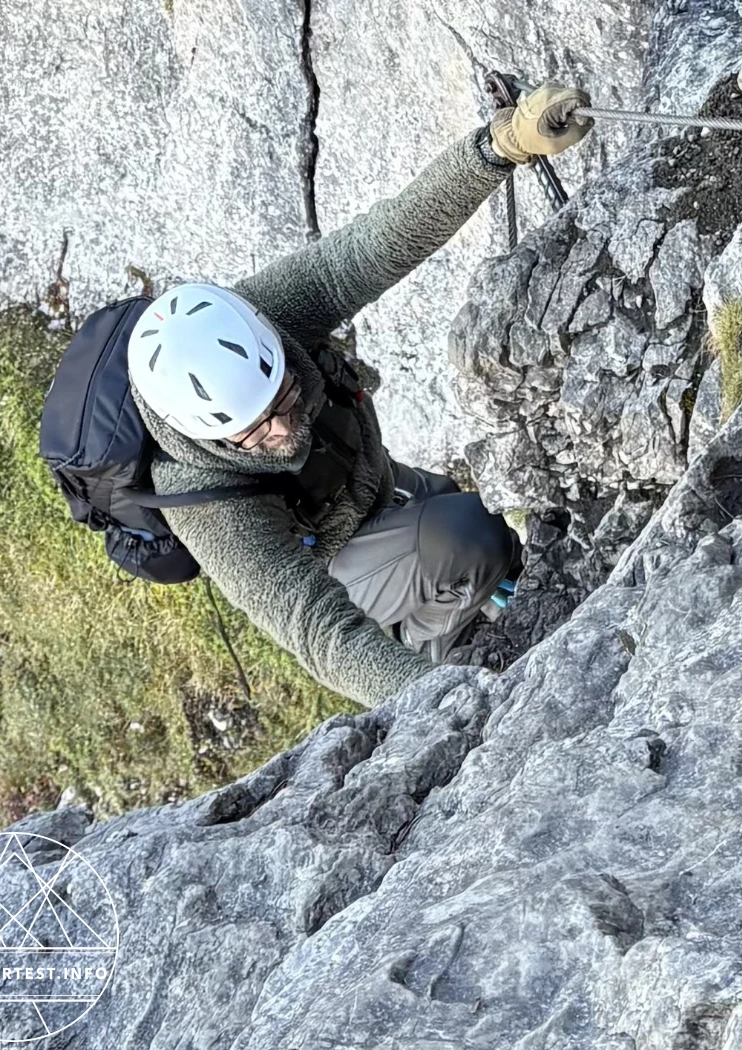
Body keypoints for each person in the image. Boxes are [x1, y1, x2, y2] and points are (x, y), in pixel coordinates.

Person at [123, 83, 593, 708]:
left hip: (372, 484)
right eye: (256, 429)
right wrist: (444, 706)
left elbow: (379, 242)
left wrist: (500, 147)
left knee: (480, 531)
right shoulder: (203, 500)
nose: (285, 423)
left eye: (286, 393)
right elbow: (317, 630)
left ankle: (468, 593)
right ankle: (445, 647)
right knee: (467, 536)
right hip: (336, 562)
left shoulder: (270, 314)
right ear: (210, 436)